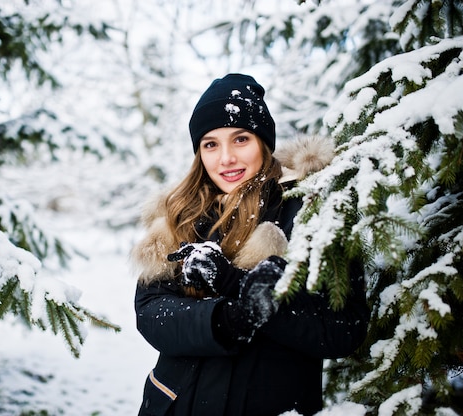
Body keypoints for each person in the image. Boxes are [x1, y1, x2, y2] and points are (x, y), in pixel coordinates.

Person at [131, 73, 369, 416]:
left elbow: (344, 328)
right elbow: (151, 311)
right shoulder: (179, 215)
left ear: (262, 142)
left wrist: (247, 292)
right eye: (210, 144)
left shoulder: (310, 208)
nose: (225, 158)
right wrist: (224, 320)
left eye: (240, 139)